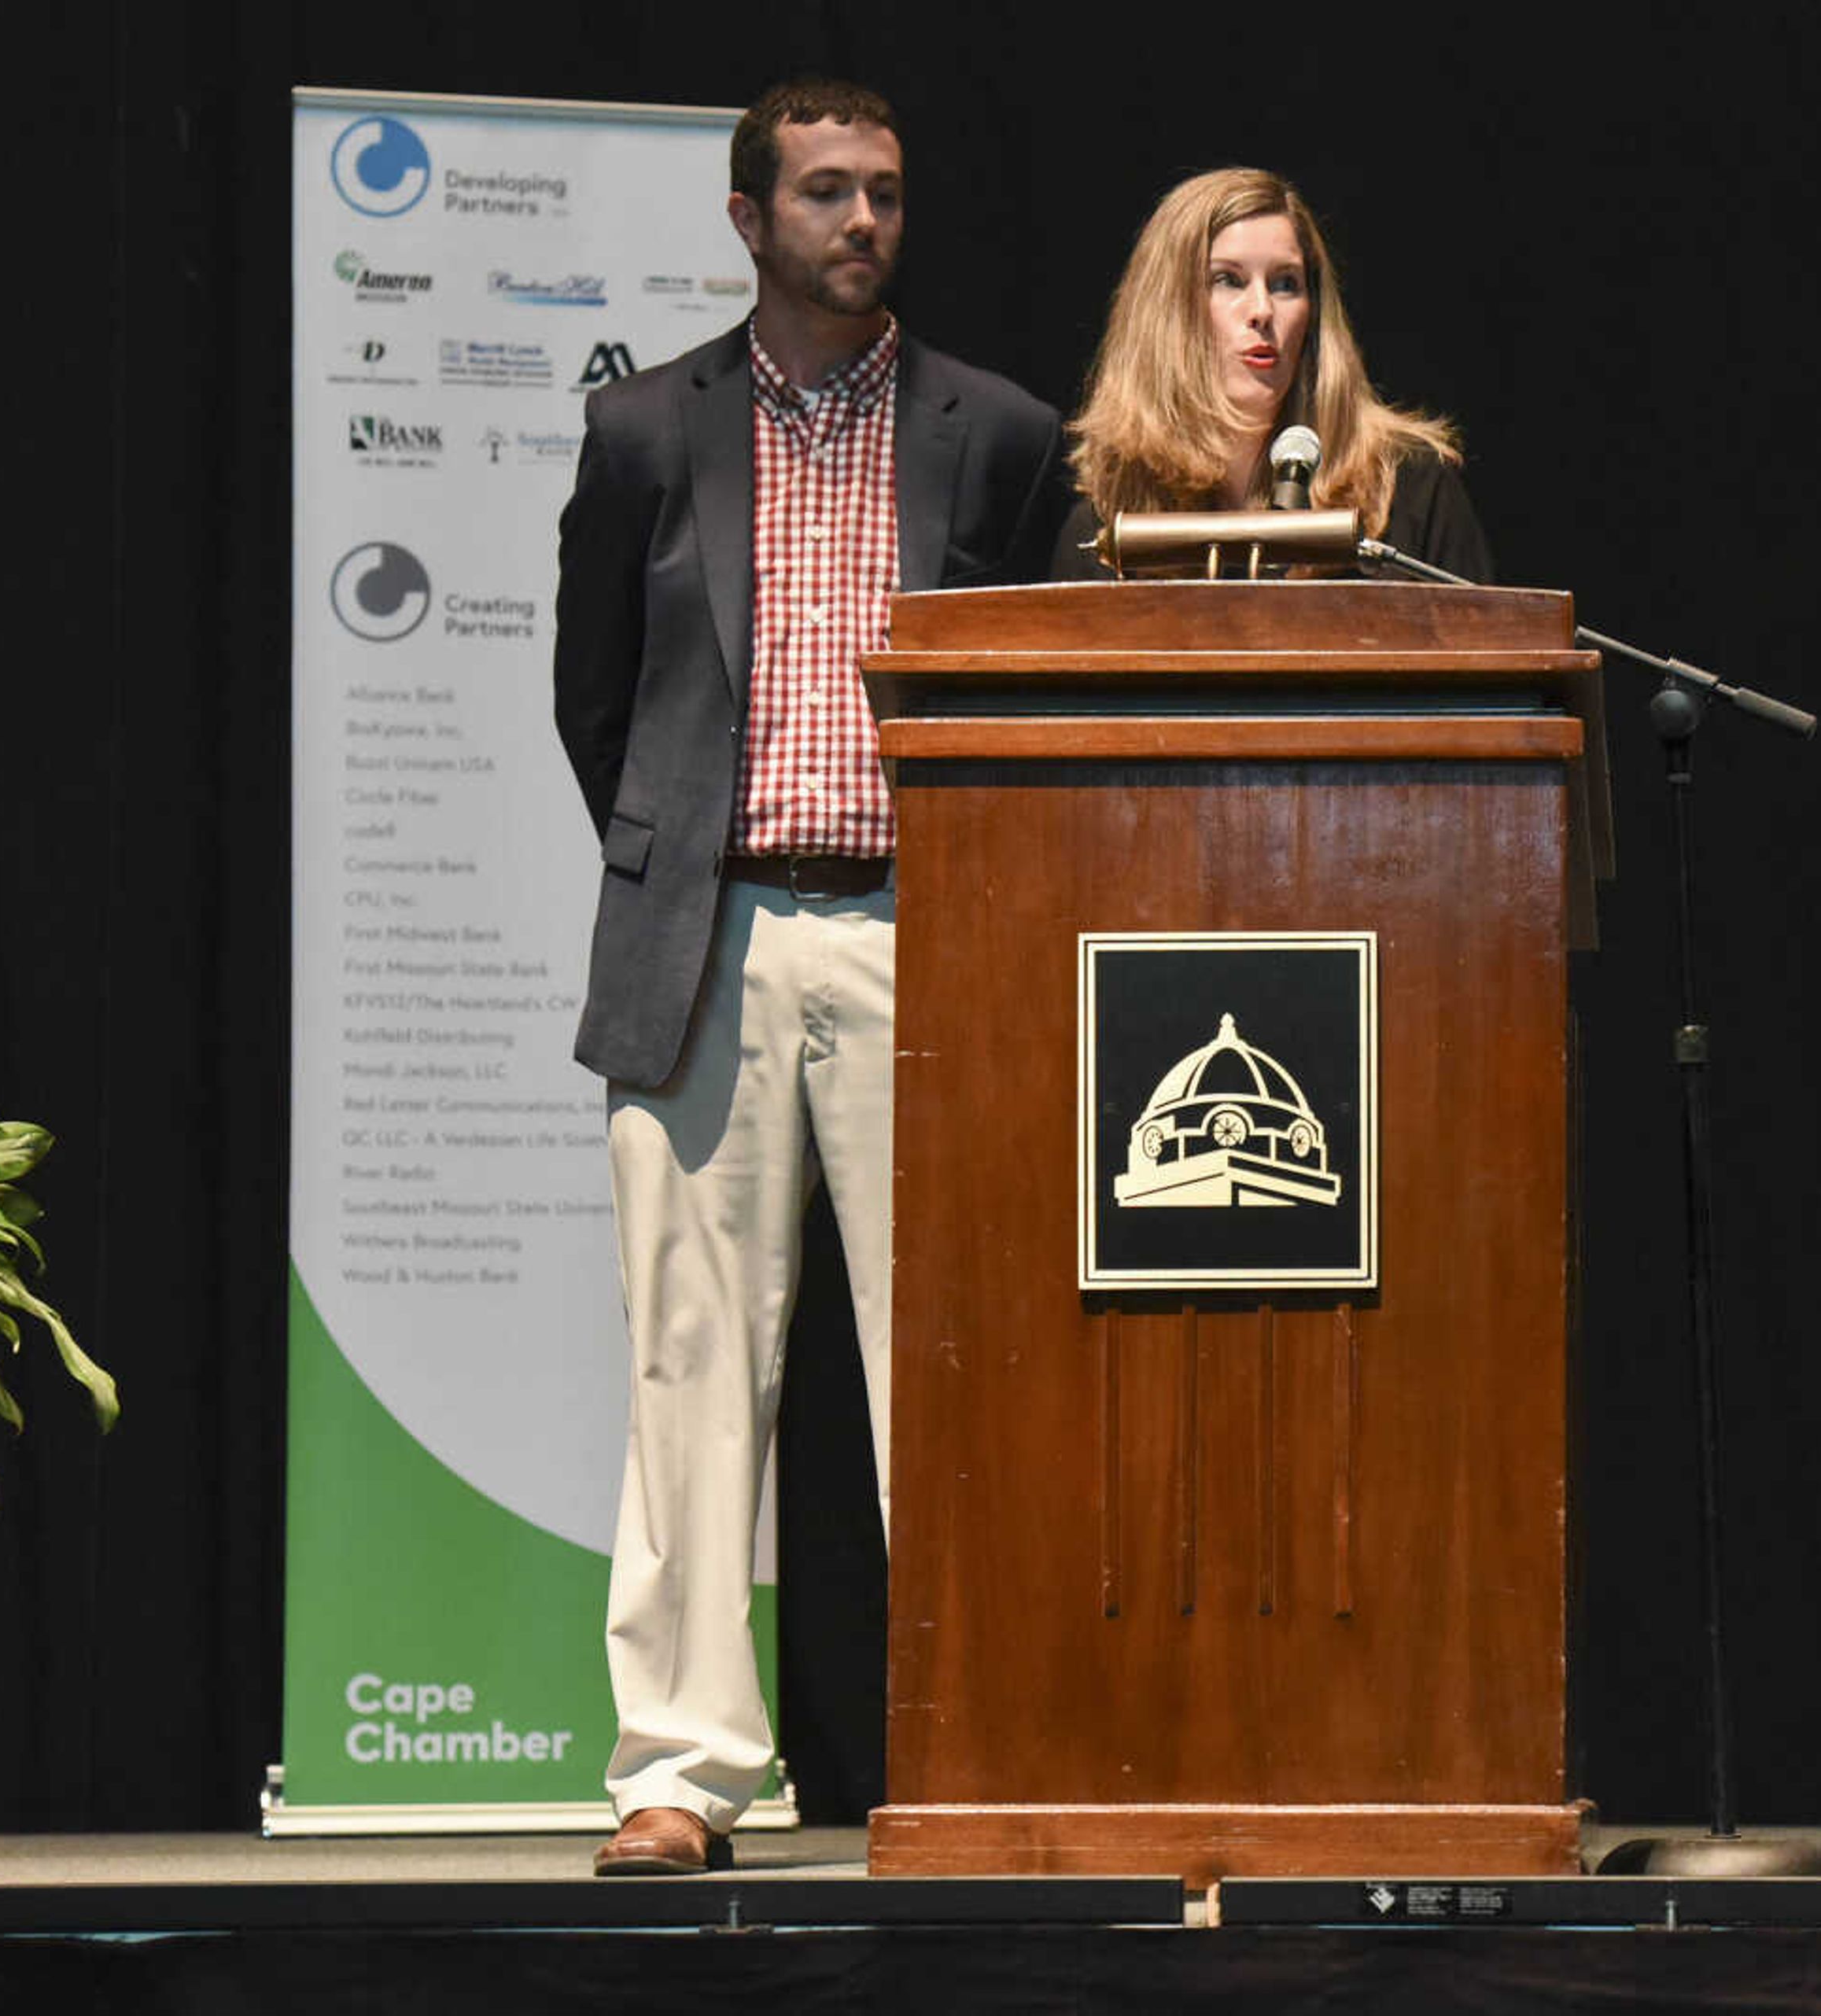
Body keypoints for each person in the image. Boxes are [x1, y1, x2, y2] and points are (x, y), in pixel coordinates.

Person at [551, 76, 1064, 1877]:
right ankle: (681, 1772)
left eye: (887, 196)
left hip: (935, 940)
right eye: (827, 194)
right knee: (691, 1361)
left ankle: (984, 1754)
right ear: (747, 215)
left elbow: (1037, 700)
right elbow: (595, 707)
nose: (862, 224)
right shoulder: (638, 431)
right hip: (711, 934)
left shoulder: (999, 435)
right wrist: (692, 857)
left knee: (956, 1366)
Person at [1056, 167, 1493, 581]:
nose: (1263, 310)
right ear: (1167, 314)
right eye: (1228, 280)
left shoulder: (1409, 491)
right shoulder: (1111, 521)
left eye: (1286, 284)